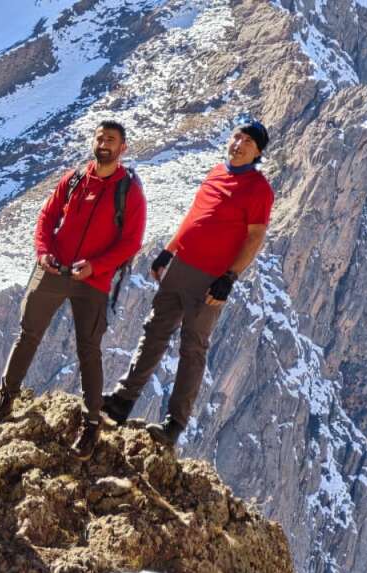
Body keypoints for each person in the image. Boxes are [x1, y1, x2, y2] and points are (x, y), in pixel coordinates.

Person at [0, 120, 146, 460]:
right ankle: (5, 400)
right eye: (100, 138)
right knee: (28, 334)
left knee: (89, 349)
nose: (104, 144)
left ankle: (90, 426)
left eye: (111, 140)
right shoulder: (73, 179)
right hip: (55, 269)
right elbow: (46, 218)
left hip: (93, 280)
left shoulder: (128, 190)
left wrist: (95, 267)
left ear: (123, 148)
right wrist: (43, 254)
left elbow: (131, 243)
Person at [102, 122, 275, 447]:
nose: (239, 143)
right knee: (154, 331)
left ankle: (174, 424)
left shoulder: (258, 188)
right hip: (181, 266)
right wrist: (168, 251)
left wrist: (230, 277)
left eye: (248, 141)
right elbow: (194, 216)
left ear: (258, 152)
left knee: (192, 348)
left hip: (211, 279)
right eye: (237, 135)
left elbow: (255, 236)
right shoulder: (214, 173)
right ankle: (122, 401)